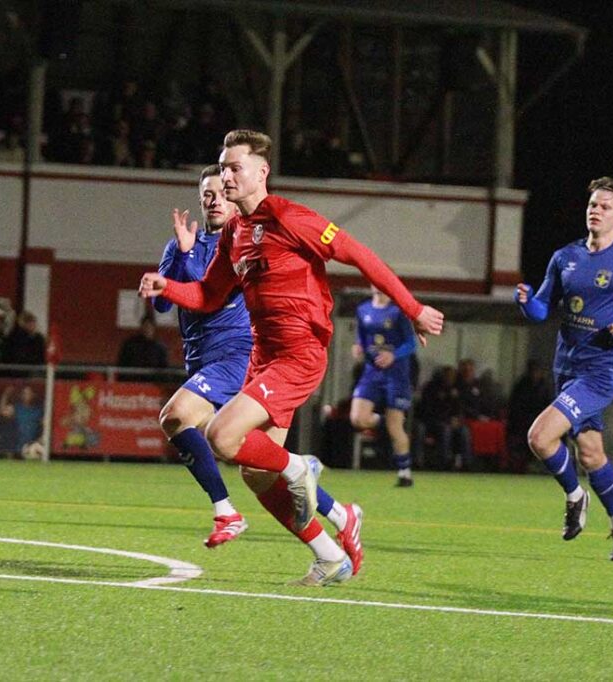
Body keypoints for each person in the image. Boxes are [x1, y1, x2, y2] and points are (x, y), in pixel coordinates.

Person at [140, 130, 445, 585]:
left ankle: (301, 467)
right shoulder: (235, 235)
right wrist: (170, 287)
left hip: (299, 354)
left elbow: (359, 254)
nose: (226, 175)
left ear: (262, 172)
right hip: (265, 358)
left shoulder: (289, 217)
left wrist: (414, 308)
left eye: (235, 167)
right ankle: (331, 546)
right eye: (222, 167)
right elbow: (207, 295)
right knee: (255, 473)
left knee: (222, 436)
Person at [515, 176, 613, 560]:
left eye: (604, 206)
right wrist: (525, 302)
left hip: (599, 374)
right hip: (565, 368)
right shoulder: (565, 256)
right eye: (592, 204)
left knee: (540, 438)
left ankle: (575, 496)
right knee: (590, 454)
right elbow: (540, 309)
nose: (595, 210)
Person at [154, 165, 253, 547]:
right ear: (200, 200)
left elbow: (213, 297)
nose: (214, 200)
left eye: (222, 193)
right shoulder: (181, 244)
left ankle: (226, 512)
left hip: (235, 354)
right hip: (200, 360)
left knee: (174, 416)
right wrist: (180, 254)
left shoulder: (242, 242)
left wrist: (186, 255)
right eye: (207, 194)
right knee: (254, 464)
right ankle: (336, 515)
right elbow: (163, 305)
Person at [349, 285, 418, 487]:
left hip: (396, 376)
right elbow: (361, 336)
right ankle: (381, 421)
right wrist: (358, 346)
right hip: (371, 373)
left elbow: (411, 344)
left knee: (395, 426)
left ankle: (405, 472)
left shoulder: (398, 311)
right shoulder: (363, 310)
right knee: (358, 419)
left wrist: (393, 355)